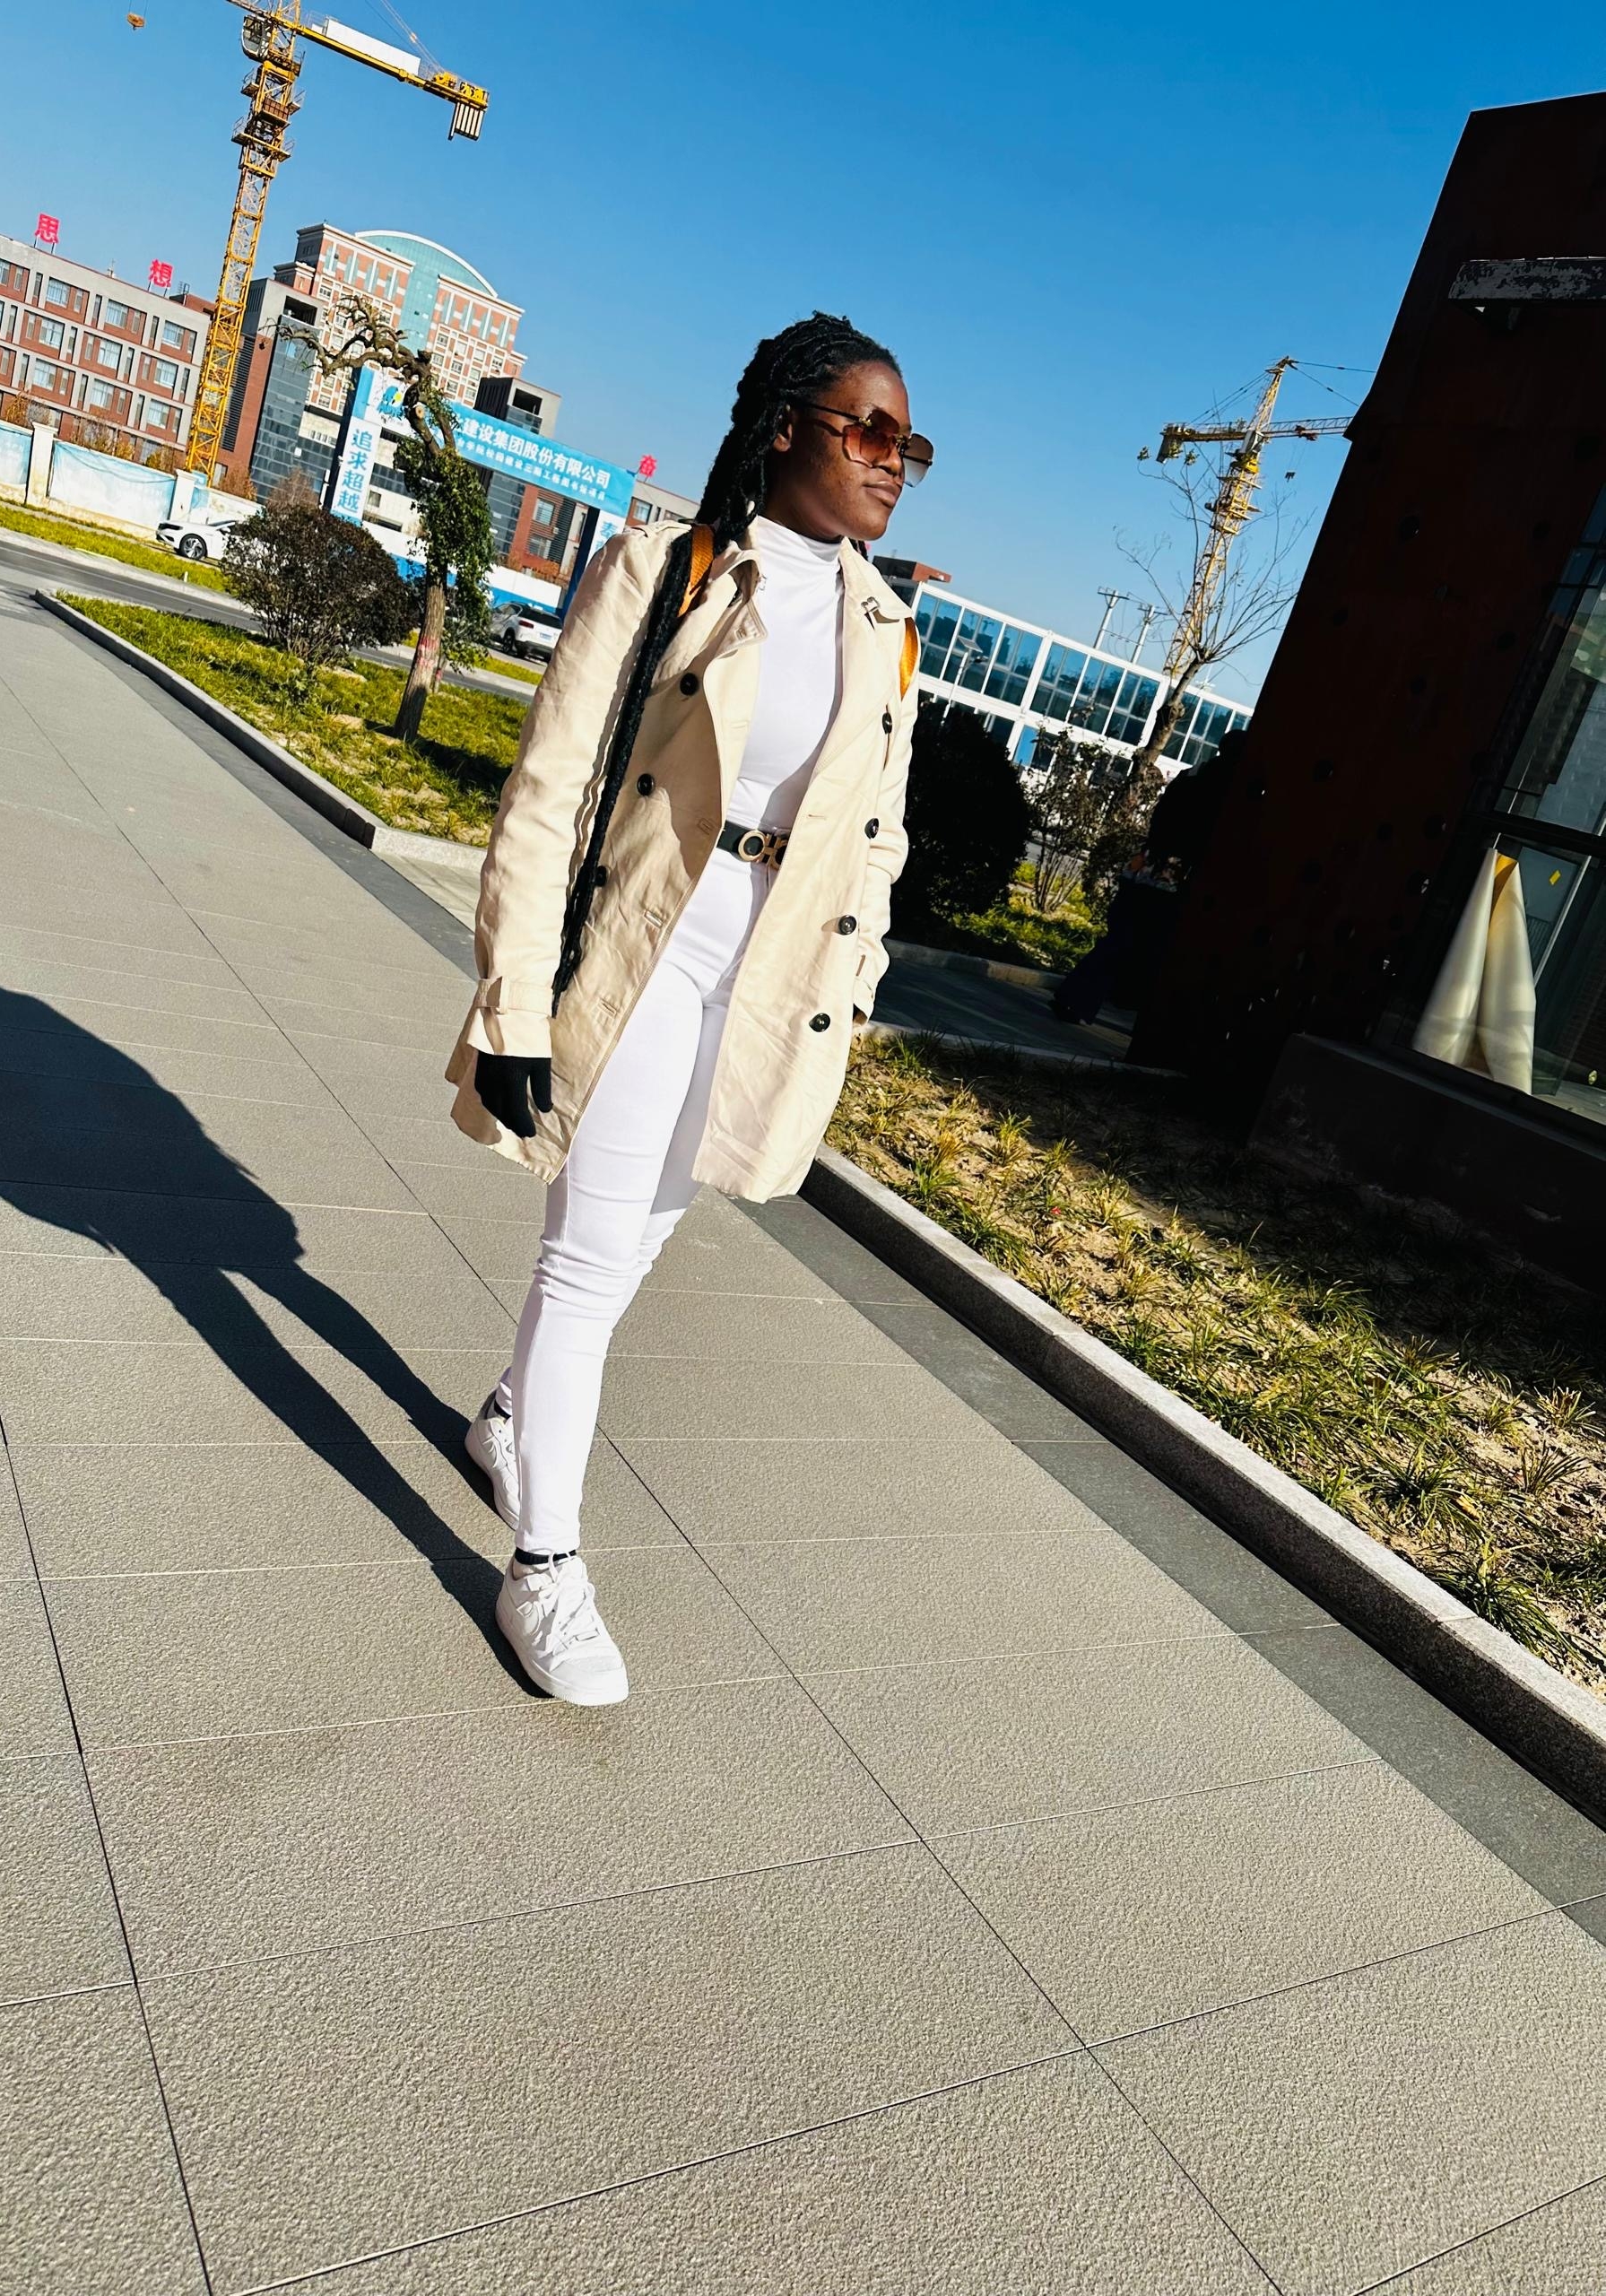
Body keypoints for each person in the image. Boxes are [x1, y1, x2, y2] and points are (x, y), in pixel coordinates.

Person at [446, 313, 932, 1706]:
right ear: (785, 427)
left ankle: (508, 1419)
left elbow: (877, 839)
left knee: (647, 1239)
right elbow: (551, 788)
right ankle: (543, 1564)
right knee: (588, 1260)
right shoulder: (667, 569)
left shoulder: (887, 627)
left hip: (770, 975)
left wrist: (858, 984)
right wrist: (513, 1002)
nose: (892, 462)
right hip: (648, 943)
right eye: (869, 429)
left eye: (910, 446)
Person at [1051, 727, 1246, 1024]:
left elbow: (1160, 818)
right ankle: (1101, 1001)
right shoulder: (1230, 788)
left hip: (1148, 865)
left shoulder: (1190, 775)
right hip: (1177, 876)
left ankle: (1076, 997)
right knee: (1149, 945)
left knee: (1120, 936)